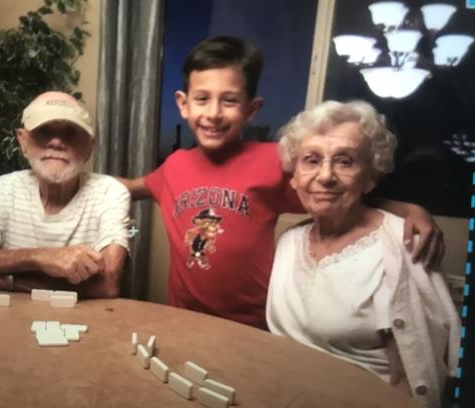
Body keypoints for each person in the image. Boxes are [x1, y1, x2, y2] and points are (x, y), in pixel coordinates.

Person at [120, 36, 444, 329]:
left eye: (229, 100)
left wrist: (409, 209)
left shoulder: (274, 160)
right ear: (183, 104)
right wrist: (74, 179)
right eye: (202, 98)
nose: (214, 113)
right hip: (184, 319)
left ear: (252, 109)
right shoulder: (174, 167)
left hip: (254, 326)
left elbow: (336, 191)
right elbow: (126, 188)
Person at [266, 100, 460, 407]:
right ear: (294, 176)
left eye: (345, 161)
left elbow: (414, 382)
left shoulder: (403, 245)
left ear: (370, 177)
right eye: (311, 160)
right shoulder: (289, 240)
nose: (326, 175)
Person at [0, 91, 130, 298]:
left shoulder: (110, 192)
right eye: (43, 131)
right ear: (23, 142)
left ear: (89, 147)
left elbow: (108, 283)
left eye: (70, 132)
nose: (56, 142)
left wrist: (6, 282)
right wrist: (40, 258)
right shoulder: (4, 189)